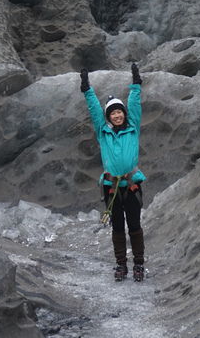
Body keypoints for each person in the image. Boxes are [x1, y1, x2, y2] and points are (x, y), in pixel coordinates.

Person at [80, 63, 147, 282]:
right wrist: (87, 90)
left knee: (134, 225)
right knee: (117, 227)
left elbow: (135, 106)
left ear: (124, 114)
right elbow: (94, 111)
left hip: (132, 185)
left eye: (119, 112)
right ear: (108, 117)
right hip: (111, 187)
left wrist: (136, 85)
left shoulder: (132, 128)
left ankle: (138, 264)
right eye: (113, 113)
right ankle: (121, 265)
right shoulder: (103, 132)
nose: (117, 115)